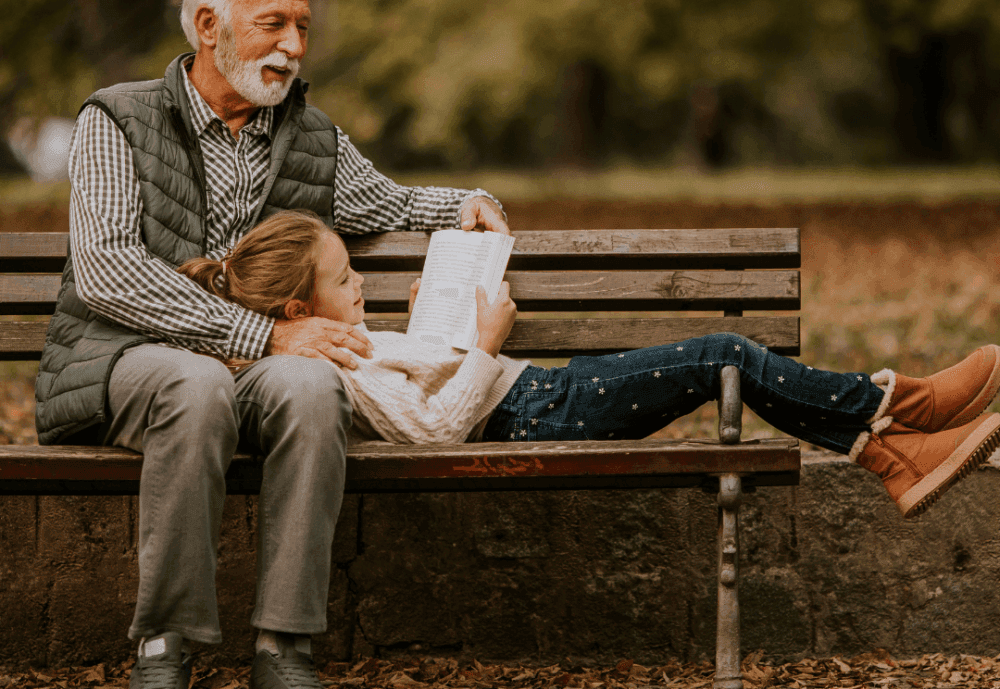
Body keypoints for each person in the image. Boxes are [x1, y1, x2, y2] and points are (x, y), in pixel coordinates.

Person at [34, 0, 509, 689]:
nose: (292, 45)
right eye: (273, 24)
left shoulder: (310, 135)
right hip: (123, 360)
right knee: (198, 382)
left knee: (313, 383)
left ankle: (282, 654)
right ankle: (163, 649)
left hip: (254, 367)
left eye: (302, 26)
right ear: (209, 26)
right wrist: (257, 331)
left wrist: (466, 200)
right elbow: (109, 271)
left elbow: (387, 203)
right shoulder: (115, 119)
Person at [181, 210, 1000, 528]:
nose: (360, 284)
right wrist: (487, 344)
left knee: (723, 360)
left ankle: (896, 446)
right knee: (721, 354)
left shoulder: (339, 346)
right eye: (344, 281)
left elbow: (421, 383)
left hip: (541, 394)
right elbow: (429, 428)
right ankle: (900, 409)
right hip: (532, 412)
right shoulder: (326, 373)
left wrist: (434, 322)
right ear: (295, 314)